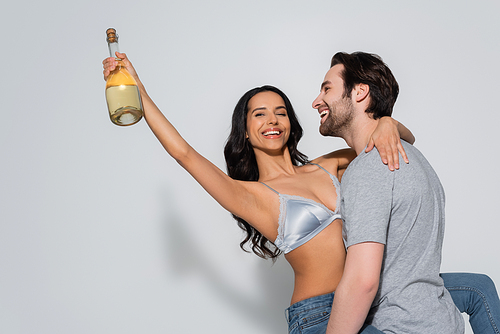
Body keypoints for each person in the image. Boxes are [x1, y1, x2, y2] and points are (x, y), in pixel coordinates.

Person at [102, 53, 500, 334]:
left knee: (478, 288)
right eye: (259, 114)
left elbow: (391, 140)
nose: (272, 120)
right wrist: (138, 88)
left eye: (280, 112)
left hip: (367, 298)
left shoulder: (329, 165)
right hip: (319, 316)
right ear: (245, 130)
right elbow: (184, 154)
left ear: (291, 123)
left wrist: (388, 123)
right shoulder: (253, 196)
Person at [311, 51, 500, 334]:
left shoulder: (368, 169)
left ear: (360, 92)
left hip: (401, 327)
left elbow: (363, 281)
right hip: (441, 322)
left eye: (327, 89)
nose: (316, 101)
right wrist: (390, 123)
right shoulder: (413, 157)